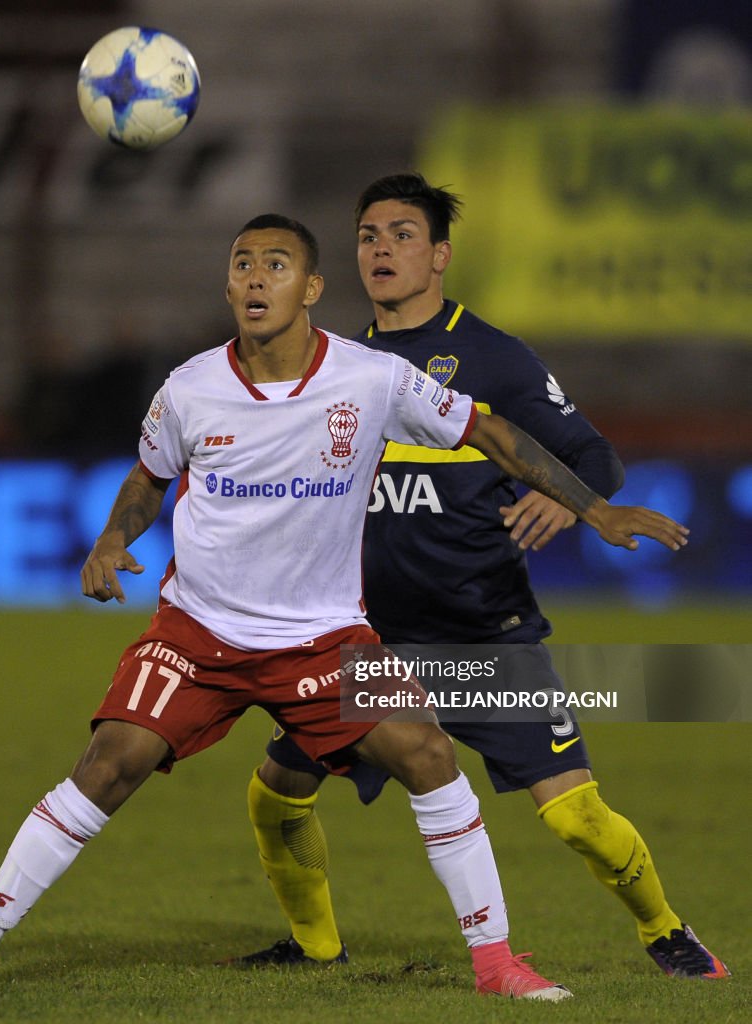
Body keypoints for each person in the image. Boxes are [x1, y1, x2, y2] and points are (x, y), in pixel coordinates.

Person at [0, 214, 689, 1004]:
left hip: (323, 642)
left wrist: (594, 508)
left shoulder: (370, 378)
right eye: (242, 264)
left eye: (275, 264)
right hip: (199, 634)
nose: (255, 277)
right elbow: (149, 477)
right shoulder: (189, 387)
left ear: (311, 288)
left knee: (427, 755)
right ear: (227, 286)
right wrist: (112, 539)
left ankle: (496, 965)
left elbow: (488, 430)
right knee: (110, 765)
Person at [231, 176, 730, 981]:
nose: (382, 248)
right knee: (276, 791)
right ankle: (316, 946)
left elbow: (593, 454)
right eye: (368, 235)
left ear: (439, 256)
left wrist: (564, 499)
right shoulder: (339, 365)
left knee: (576, 817)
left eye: (401, 234)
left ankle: (666, 930)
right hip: (370, 647)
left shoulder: (494, 358)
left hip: (482, 636)